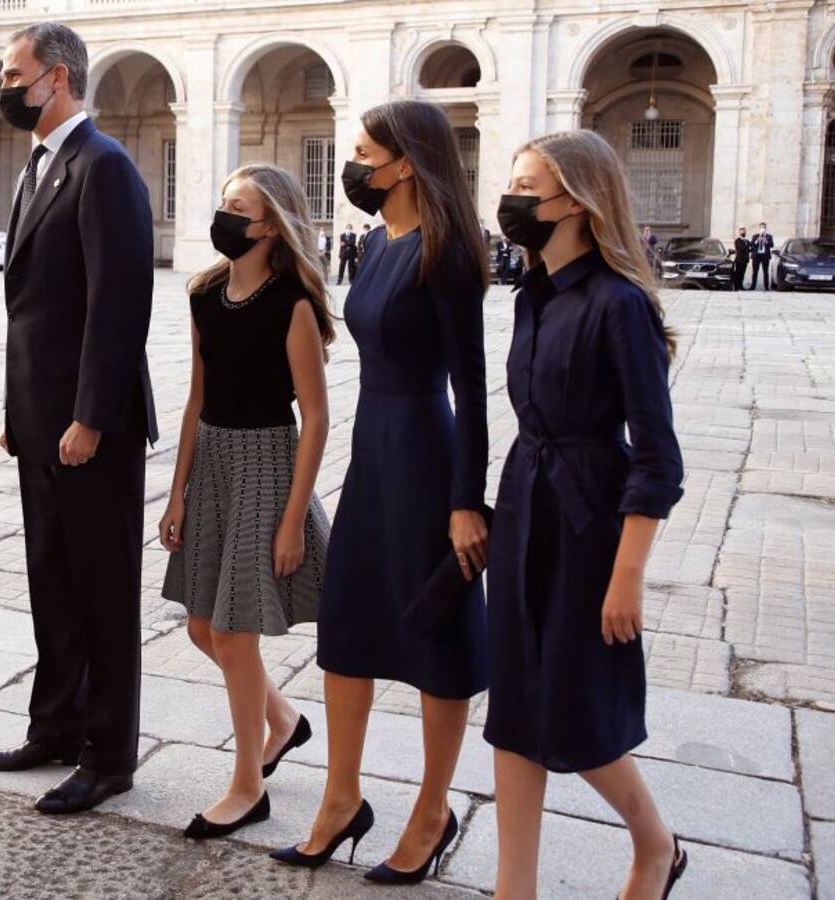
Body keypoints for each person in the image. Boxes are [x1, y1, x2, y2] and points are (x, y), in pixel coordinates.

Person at [272, 100, 489, 883]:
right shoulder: (374, 242)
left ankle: (432, 811)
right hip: (372, 448)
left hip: (427, 452)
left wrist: (467, 501)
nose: (354, 165)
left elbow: (473, 385)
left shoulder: (447, 250)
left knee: (438, 631)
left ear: (407, 162)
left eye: (365, 153)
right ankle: (340, 799)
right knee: (348, 622)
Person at [488, 129, 687, 899]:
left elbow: (658, 458)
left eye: (527, 186)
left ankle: (655, 845)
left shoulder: (620, 304)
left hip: (587, 523)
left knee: (577, 711)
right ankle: (515, 889)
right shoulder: (530, 296)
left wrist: (626, 576)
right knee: (514, 707)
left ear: (576, 200)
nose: (511, 199)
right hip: (524, 507)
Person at [0, 22, 158, 816]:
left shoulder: (103, 166)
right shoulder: (40, 166)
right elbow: (32, 309)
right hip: (40, 420)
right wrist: (17, 410)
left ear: (57, 77)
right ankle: (55, 724)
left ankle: (109, 753)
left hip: (92, 427)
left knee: (102, 589)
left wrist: (89, 416)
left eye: (14, 75)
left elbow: (118, 306)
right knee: (51, 578)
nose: (5, 88)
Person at [160, 164, 334, 840]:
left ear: (270, 226)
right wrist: (176, 493)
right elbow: (196, 396)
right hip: (212, 463)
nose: (225, 217)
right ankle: (283, 720)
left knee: (235, 633)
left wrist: (293, 520)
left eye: (240, 207)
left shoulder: (292, 304)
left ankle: (246, 788)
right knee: (203, 627)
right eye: (224, 203)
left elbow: (315, 418)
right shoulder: (204, 293)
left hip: (266, 465)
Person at [750, 222, 774, 290]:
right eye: (761, 227)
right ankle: (753, 286)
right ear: (759, 228)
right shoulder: (755, 236)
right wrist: (757, 240)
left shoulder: (769, 236)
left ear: (765, 228)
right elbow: (752, 244)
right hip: (756, 256)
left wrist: (766, 241)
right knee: (755, 272)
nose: (762, 229)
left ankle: (766, 286)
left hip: (765, 256)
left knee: (765, 272)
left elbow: (771, 245)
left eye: (763, 227)